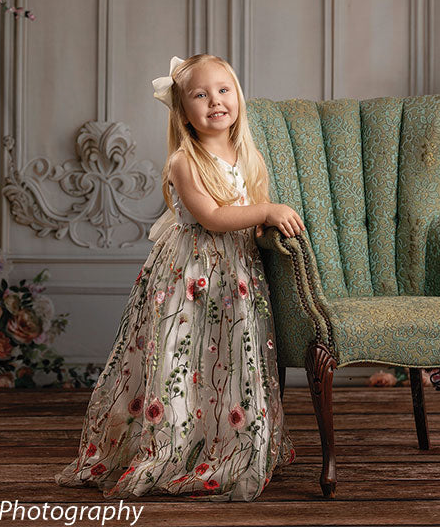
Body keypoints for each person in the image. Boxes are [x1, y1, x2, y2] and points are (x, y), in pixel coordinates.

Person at [55, 53, 305, 501]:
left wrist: (264, 220)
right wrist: (267, 210)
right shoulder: (184, 161)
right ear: (182, 111)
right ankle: (173, 443)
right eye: (200, 94)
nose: (215, 101)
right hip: (193, 275)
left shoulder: (246, 152)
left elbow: (247, 204)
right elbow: (212, 216)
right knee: (184, 357)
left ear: (238, 96)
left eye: (223, 90)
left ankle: (227, 441)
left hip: (238, 276)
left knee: (230, 358)